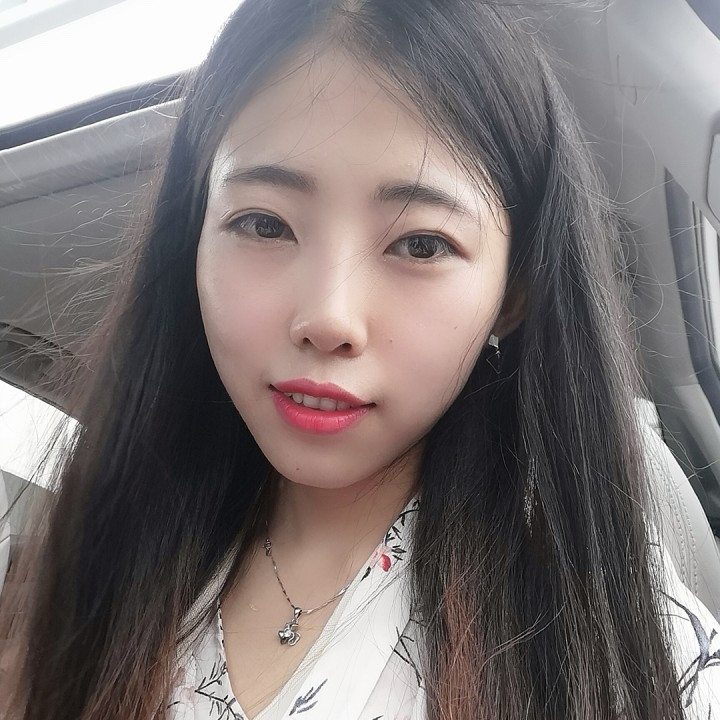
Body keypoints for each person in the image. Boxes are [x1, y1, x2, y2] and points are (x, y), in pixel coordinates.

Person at [1, 0, 719, 718]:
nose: (328, 319)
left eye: (422, 244)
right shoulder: (91, 552)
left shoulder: (621, 640)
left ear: (513, 292)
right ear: (193, 239)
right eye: (264, 224)